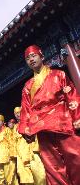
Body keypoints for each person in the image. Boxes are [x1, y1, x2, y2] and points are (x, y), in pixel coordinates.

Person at [18, 45, 80, 185]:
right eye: (28, 58)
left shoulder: (59, 75)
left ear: (42, 56)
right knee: (53, 167)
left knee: (76, 158)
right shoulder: (27, 86)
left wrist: (77, 117)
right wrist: (24, 128)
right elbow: (26, 108)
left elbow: (71, 96)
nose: (31, 60)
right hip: (42, 129)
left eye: (33, 56)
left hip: (64, 123)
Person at [0, 114, 18, 185]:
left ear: (3, 121)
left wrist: (12, 154)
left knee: (9, 176)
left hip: (7, 156)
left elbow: (11, 142)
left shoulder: (7, 130)